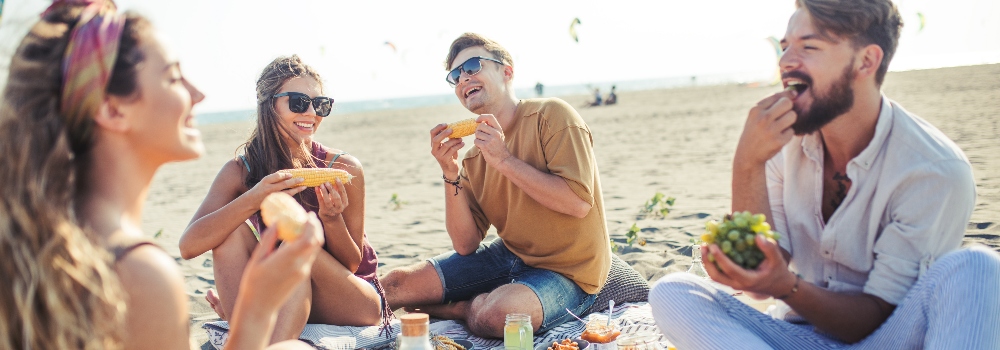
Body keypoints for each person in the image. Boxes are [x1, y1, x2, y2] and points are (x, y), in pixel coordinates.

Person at [649, 0, 1000, 348]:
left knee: (977, 267)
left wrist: (786, 285)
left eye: (809, 47)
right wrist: (747, 164)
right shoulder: (780, 145)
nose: (785, 61)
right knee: (674, 292)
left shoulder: (933, 171)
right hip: (800, 336)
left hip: (890, 339)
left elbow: (869, 321)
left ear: (866, 61)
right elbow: (759, 281)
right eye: (785, 47)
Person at [0, 1, 323, 349]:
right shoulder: (139, 272)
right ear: (112, 109)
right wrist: (257, 309)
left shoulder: (45, 241)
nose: (198, 94)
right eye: (173, 77)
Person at [381, 33, 616, 338]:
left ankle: (461, 309)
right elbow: (465, 244)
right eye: (455, 76)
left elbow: (577, 203)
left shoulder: (552, 116)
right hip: (509, 256)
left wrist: (504, 160)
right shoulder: (474, 157)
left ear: (507, 71)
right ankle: (480, 297)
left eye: (473, 66)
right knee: (394, 285)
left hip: (571, 271)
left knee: (499, 316)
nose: (464, 78)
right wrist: (449, 172)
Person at [178, 55, 389, 341]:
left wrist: (331, 218)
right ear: (269, 104)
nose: (311, 113)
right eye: (299, 102)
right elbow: (190, 246)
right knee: (230, 233)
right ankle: (248, 329)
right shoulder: (240, 171)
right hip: (286, 297)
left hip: (352, 300)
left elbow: (352, 265)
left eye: (321, 104)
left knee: (296, 250)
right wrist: (255, 197)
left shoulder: (343, 167)